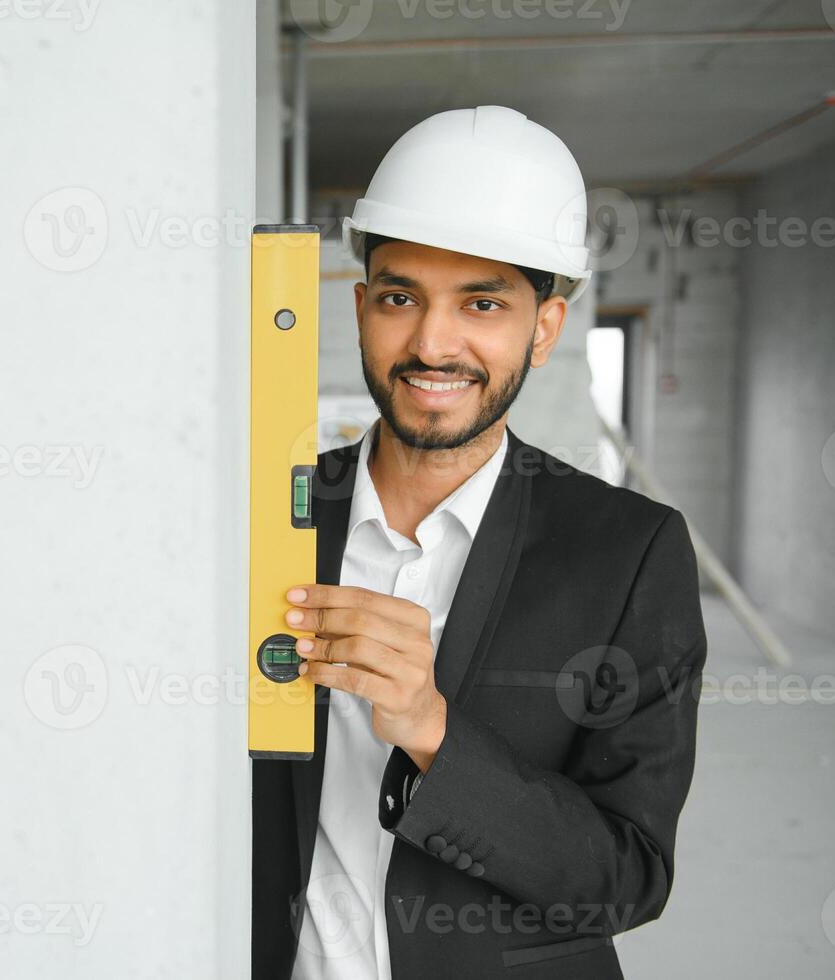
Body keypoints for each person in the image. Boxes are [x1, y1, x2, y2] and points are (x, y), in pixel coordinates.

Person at [252, 105, 706, 980]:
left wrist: (431, 731)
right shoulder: (271, 517)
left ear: (542, 329)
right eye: (399, 298)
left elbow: (626, 876)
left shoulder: (628, 553)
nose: (431, 343)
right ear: (358, 309)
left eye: (482, 303)